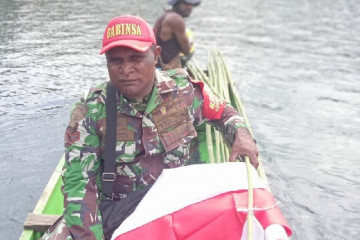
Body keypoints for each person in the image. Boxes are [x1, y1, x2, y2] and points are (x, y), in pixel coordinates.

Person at [41, 15, 258, 240]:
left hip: (171, 205)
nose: (126, 69)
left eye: (136, 58)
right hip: (114, 209)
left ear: (155, 56)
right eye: (116, 61)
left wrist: (241, 134)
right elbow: (78, 184)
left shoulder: (184, 92)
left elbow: (223, 112)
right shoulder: (92, 108)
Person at [153, 0, 200, 70]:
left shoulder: (165, 15)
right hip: (165, 70)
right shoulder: (176, 19)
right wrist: (189, 42)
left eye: (191, 5)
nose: (189, 7)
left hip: (157, 66)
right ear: (176, 3)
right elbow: (186, 51)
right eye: (186, 4)